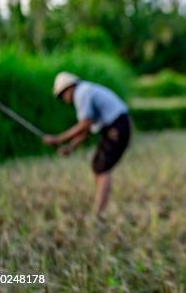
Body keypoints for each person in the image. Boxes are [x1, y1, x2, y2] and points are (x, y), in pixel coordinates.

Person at [43, 72, 131, 217]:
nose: (64, 99)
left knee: (102, 167)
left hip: (117, 127)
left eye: (62, 95)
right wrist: (70, 147)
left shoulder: (81, 93)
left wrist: (58, 139)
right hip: (114, 126)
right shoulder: (85, 91)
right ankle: (101, 207)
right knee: (97, 165)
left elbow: (84, 124)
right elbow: (87, 130)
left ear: (69, 88)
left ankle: (99, 212)